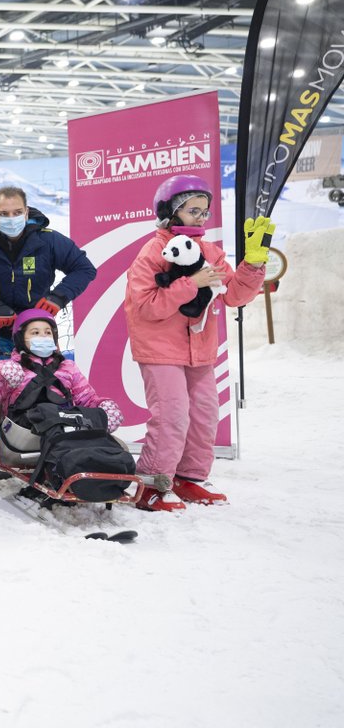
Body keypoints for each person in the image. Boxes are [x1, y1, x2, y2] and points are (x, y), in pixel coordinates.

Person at [124, 175, 270, 511]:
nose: (201, 218)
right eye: (193, 211)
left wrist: (253, 264)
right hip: (160, 350)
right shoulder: (152, 253)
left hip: (200, 350)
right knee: (172, 416)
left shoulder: (210, 252)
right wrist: (191, 283)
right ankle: (152, 483)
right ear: (170, 210)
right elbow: (146, 306)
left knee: (204, 415)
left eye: (204, 212)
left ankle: (189, 478)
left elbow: (233, 295)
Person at [0, 186, 97, 377]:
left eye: (17, 212)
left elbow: (84, 269)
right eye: (4, 214)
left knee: (41, 389)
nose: (11, 218)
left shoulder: (49, 240)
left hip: (38, 333)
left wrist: (58, 297)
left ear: (26, 213)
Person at [0, 308, 123, 436]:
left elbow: (86, 399)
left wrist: (103, 408)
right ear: (20, 339)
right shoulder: (9, 369)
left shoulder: (67, 367)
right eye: (35, 332)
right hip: (23, 433)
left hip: (64, 428)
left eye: (47, 332)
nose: (43, 336)